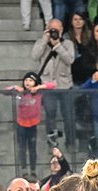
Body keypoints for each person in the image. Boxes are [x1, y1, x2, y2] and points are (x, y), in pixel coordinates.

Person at [34, 20, 77, 149]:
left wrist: (57, 45)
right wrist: (44, 40)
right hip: (47, 85)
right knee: (50, 114)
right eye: (51, 29)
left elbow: (70, 59)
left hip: (64, 85)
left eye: (56, 30)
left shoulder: (68, 44)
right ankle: (52, 143)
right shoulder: (42, 43)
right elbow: (34, 56)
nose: (53, 32)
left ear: (62, 30)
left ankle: (70, 143)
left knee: (68, 115)